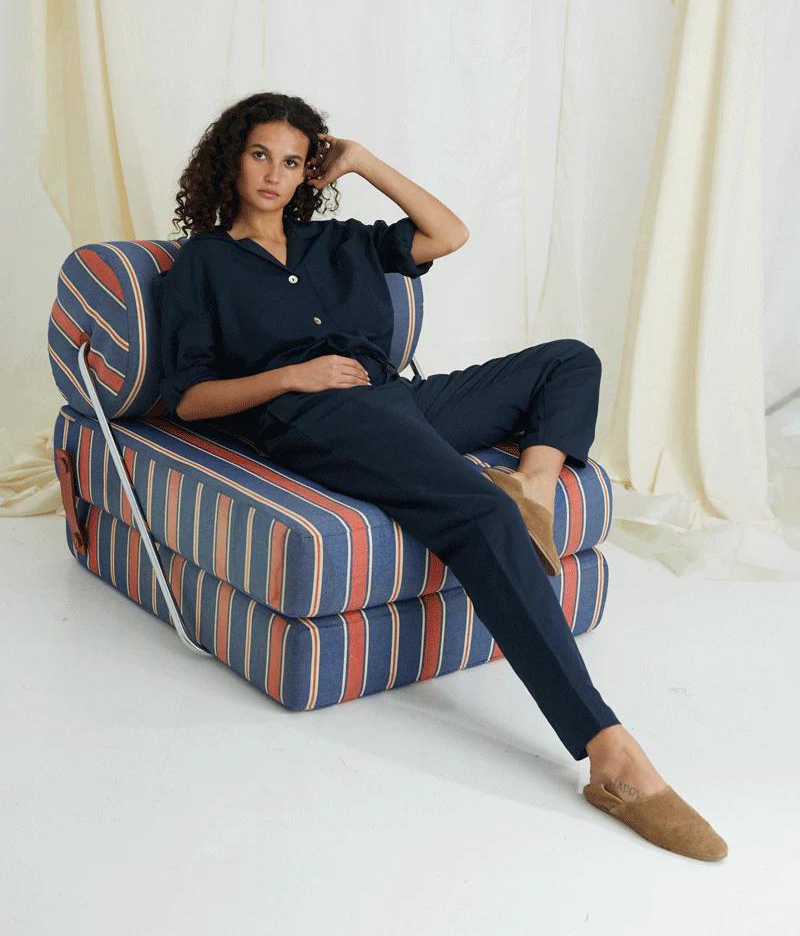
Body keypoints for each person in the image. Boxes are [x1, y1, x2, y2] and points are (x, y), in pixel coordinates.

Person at [158, 91, 727, 862]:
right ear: (233, 158)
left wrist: (360, 161)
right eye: (261, 154)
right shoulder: (203, 264)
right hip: (315, 420)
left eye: (293, 161)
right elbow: (190, 398)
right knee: (476, 519)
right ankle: (609, 752)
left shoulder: (340, 242)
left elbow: (448, 233)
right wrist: (294, 377)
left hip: (402, 401)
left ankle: (528, 486)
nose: (274, 173)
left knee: (569, 359)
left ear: (307, 173)